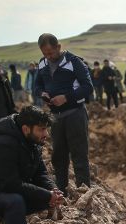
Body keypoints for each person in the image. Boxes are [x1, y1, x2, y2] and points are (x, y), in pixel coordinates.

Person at [33, 33, 94, 192]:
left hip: (75, 114)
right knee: (58, 157)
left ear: (58, 47)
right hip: (55, 118)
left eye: (51, 52)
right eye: (45, 53)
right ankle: (62, 192)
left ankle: (84, 193)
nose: (48, 56)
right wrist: (42, 94)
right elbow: (37, 86)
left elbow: (88, 87)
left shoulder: (75, 62)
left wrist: (66, 98)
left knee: (79, 156)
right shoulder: (42, 64)